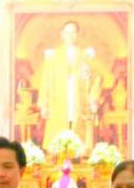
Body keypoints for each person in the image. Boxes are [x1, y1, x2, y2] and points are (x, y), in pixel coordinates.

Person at [38, 21, 102, 149]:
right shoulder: (53, 56)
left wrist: (93, 99)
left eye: (73, 32)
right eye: (67, 32)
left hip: (79, 101)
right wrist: (44, 104)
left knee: (79, 138)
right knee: (59, 139)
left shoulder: (86, 56)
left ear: (77, 34)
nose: (70, 36)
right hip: (58, 102)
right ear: (62, 34)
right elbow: (45, 81)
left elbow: (97, 78)